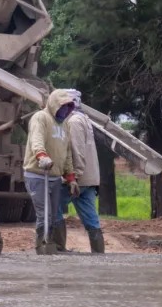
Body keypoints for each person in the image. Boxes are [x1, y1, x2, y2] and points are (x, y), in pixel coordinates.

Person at [23, 89, 79, 254]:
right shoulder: (41, 118)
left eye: (68, 107)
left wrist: (71, 177)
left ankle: (54, 247)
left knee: (54, 216)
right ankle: (41, 247)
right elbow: (36, 140)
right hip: (38, 174)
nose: (65, 109)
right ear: (54, 104)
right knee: (44, 214)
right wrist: (42, 156)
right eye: (62, 106)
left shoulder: (65, 124)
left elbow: (66, 152)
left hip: (54, 176)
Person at [60, 89, 104, 253]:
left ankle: (57, 248)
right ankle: (98, 253)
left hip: (78, 179)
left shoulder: (73, 122)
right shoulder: (84, 119)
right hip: (90, 179)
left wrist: (73, 178)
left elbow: (76, 151)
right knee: (91, 220)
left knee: (53, 207)